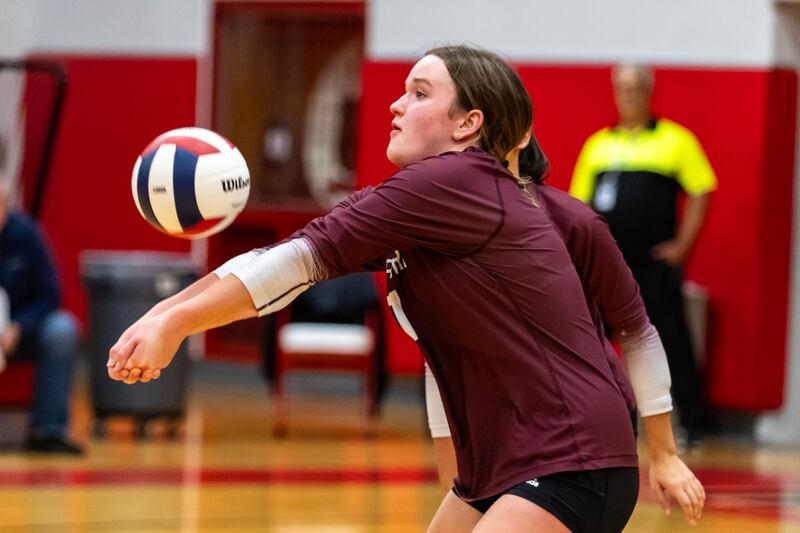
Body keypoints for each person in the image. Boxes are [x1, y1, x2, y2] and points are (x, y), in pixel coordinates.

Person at [108, 46, 704, 532]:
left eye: (420, 93)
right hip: (510, 464)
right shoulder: (423, 202)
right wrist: (168, 311)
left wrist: (175, 323)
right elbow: (294, 261)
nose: (395, 104)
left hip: (571, 459)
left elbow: (293, 262)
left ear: (471, 125)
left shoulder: (460, 183)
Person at [425, 135, 704, 526]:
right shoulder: (429, 232)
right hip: (500, 443)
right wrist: (454, 478)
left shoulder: (571, 221)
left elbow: (637, 331)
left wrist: (664, 455)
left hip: (576, 443)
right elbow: (439, 359)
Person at [570, 65, 716, 445]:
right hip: (607, 264)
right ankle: (597, 420)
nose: (628, 96)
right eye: (622, 89)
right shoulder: (598, 144)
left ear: (649, 92)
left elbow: (702, 191)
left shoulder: (675, 140)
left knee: (670, 340)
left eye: (636, 89)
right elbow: (579, 206)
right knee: (593, 340)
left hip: (653, 264)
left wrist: (681, 246)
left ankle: (693, 423)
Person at [0, 181, 83, 454]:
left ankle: (49, 430)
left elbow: (50, 295)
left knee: (63, 329)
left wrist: (19, 327)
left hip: (22, 332)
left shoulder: (27, 235)